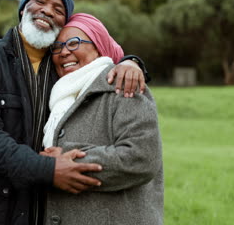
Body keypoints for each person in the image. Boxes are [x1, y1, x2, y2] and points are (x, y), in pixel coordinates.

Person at [0, 0, 150, 225]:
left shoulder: (63, 71)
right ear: (23, 9)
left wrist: (131, 62)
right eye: (40, 2)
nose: (48, 11)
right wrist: (48, 169)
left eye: (58, 10)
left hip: (42, 207)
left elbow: (103, 55)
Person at [41, 13, 163, 225]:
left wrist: (67, 163)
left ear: (98, 46)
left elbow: (142, 157)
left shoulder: (123, 85)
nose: (64, 52)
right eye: (57, 47)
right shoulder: (56, 99)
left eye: (73, 43)